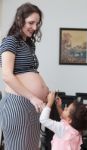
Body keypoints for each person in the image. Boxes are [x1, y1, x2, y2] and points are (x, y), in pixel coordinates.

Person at [0, 2, 49, 150]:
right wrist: (33, 97)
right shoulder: (10, 41)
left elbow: (30, 72)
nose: (35, 28)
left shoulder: (28, 44)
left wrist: (44, 92)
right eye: (31, 22)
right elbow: (7, 76)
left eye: (37, 23)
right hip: (18, 103)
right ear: (20, 20)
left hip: (31, 105)